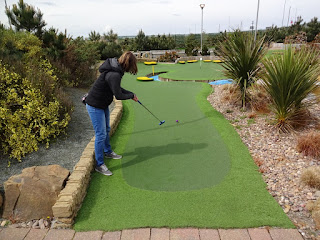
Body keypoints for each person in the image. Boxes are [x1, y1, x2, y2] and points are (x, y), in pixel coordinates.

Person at [85, 51, 138, 176]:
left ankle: (108, 151)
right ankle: (99, 164)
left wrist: (131, 94)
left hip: (102, 104)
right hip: (94, 105)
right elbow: (118, 95)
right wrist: (130, 95)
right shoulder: (114, 74)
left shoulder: (116, 71)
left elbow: (117, 88)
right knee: (100, 134)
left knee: (107, 129)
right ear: (128, 64)